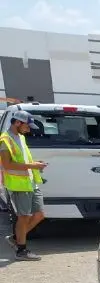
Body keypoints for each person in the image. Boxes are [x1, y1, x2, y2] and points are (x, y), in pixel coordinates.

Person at [1, 110, 47, 260]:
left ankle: (15, 238)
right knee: (24, 217)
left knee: (39, 215)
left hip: (31, 183)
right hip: (18, 185)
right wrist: (33, 166)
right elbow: (7, 165)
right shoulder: (4, 140)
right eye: (27, 126)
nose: (28, 129)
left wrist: (35, 164)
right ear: (17, 123)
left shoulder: (20, 137)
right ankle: (21, 250)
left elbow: (24, 159)